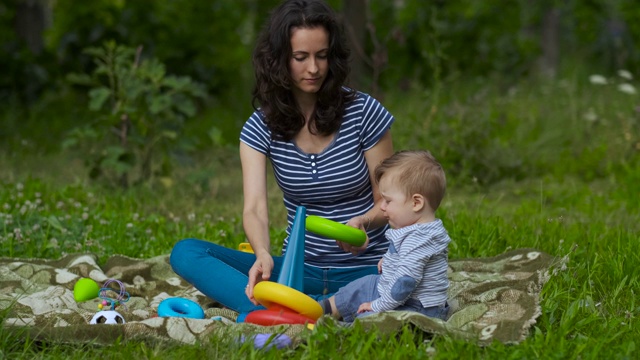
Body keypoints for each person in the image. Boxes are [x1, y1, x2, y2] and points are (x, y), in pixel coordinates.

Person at [169, 0, 395, 314]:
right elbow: (255, 208)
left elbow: (387, 201)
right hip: (298, 272)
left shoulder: (363, 112)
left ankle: (289, 312)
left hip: (367, 270)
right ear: (279, 60)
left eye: (322, 56)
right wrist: (262, 253)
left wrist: (363, 223)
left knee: (407, 283)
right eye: (300, 57)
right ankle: (291, 310)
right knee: (186, 253)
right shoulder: (259, 127)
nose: (314, 68)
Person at [319, 150, 450, 322]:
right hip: (397, 292)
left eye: (388, 201)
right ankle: (326, 308)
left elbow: (404, 284)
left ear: (416, 203)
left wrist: (377, 306)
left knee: (373, 319)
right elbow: (404, 258)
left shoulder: (420, 240)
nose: (382, 207)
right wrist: (389, 261)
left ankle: (344, 328)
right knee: (365, 284)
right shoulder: (416, 230)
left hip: (417, 307)